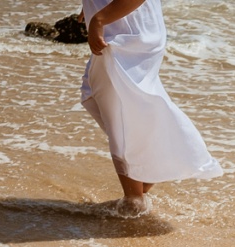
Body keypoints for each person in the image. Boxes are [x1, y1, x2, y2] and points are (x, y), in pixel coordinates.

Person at [79, 0, 222, 216]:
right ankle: (154, 169)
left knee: (122, 113)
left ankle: (135, 198)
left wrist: (99, 19)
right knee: (123, 106)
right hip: (129, 29)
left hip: (125, 35)